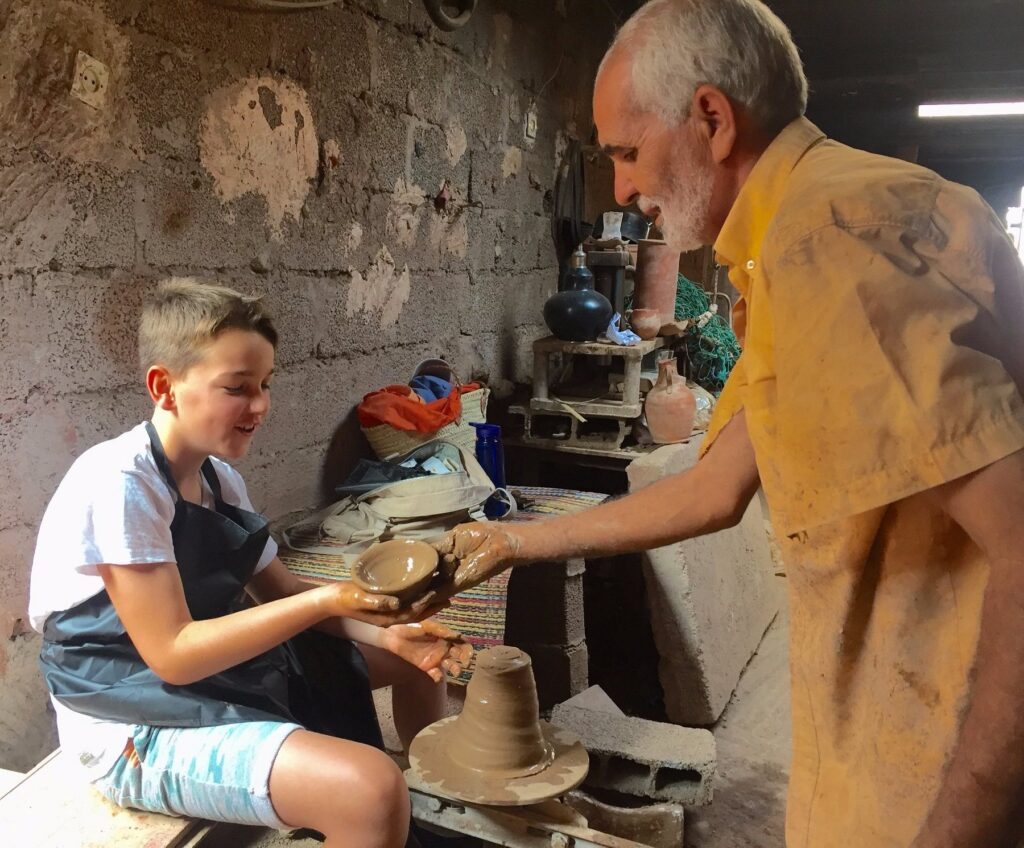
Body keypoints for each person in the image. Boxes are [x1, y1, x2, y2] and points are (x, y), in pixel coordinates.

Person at [431, 1, 1024, 846]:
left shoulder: (832, 240)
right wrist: (512, 541)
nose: (622, 192)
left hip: (942, 770)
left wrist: (958, 829)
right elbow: (714, 488)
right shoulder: (803, 237)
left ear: (711, 118)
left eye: (628, 154)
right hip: (877, 733)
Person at [28, 278, 471, 848]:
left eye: (265, 384)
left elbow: (282, 591)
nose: (260, 405)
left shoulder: (219, 478)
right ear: (165, 387)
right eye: (237, 388)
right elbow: (173, 655)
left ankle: (422, 814)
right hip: (126, 715)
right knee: (367, 788)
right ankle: (377, 819)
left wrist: (391, 636)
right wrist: (329, 598)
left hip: (205, 671)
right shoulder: (121, 483)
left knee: (417, 661)